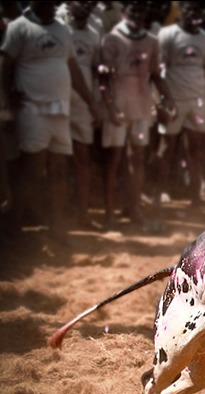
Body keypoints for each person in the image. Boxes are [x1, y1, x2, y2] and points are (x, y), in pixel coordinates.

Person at [1, 1, 100, 240]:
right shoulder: (19, 27)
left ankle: (56, 226)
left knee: (58, 170)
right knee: (33, 170)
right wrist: (8, 97)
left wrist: (90, 102)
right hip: (32, 109)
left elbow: (73, 69)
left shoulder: (62, 29)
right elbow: (5, 65)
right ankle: (16, 227)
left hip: (60, 111)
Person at [100, 1, 171, 226]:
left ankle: (135, 209)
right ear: (123, 13)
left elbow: (156, 74)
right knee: (114, 159)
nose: (136, 17)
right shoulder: (112, 39)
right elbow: (103, 78)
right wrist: (109, 106)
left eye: (140, 12)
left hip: (141, 107)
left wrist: (168, 98)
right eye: (132, 12)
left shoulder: (151, 41)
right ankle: (110, 213)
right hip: (118, 107)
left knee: (137, 159)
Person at [155, 1, 205, 210]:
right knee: (167, 147)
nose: (192, 13)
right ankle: (159, 193)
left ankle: (195, 195)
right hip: (174, 98)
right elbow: (158, 71)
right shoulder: (167, 35)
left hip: (198, 100)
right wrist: (161, 100)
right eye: (188, 9)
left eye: (196, 9)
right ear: (181, 10)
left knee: (196, 149)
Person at [64, 1, 101, 229]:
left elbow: (96, 72)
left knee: (82, 160)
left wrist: (96, 103)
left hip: (83, 105)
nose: (84, 5)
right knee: (55, 162)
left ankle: (82, 214)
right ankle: (55, 216)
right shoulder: (61, 29)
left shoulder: (94, 33)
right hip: (57, 99)